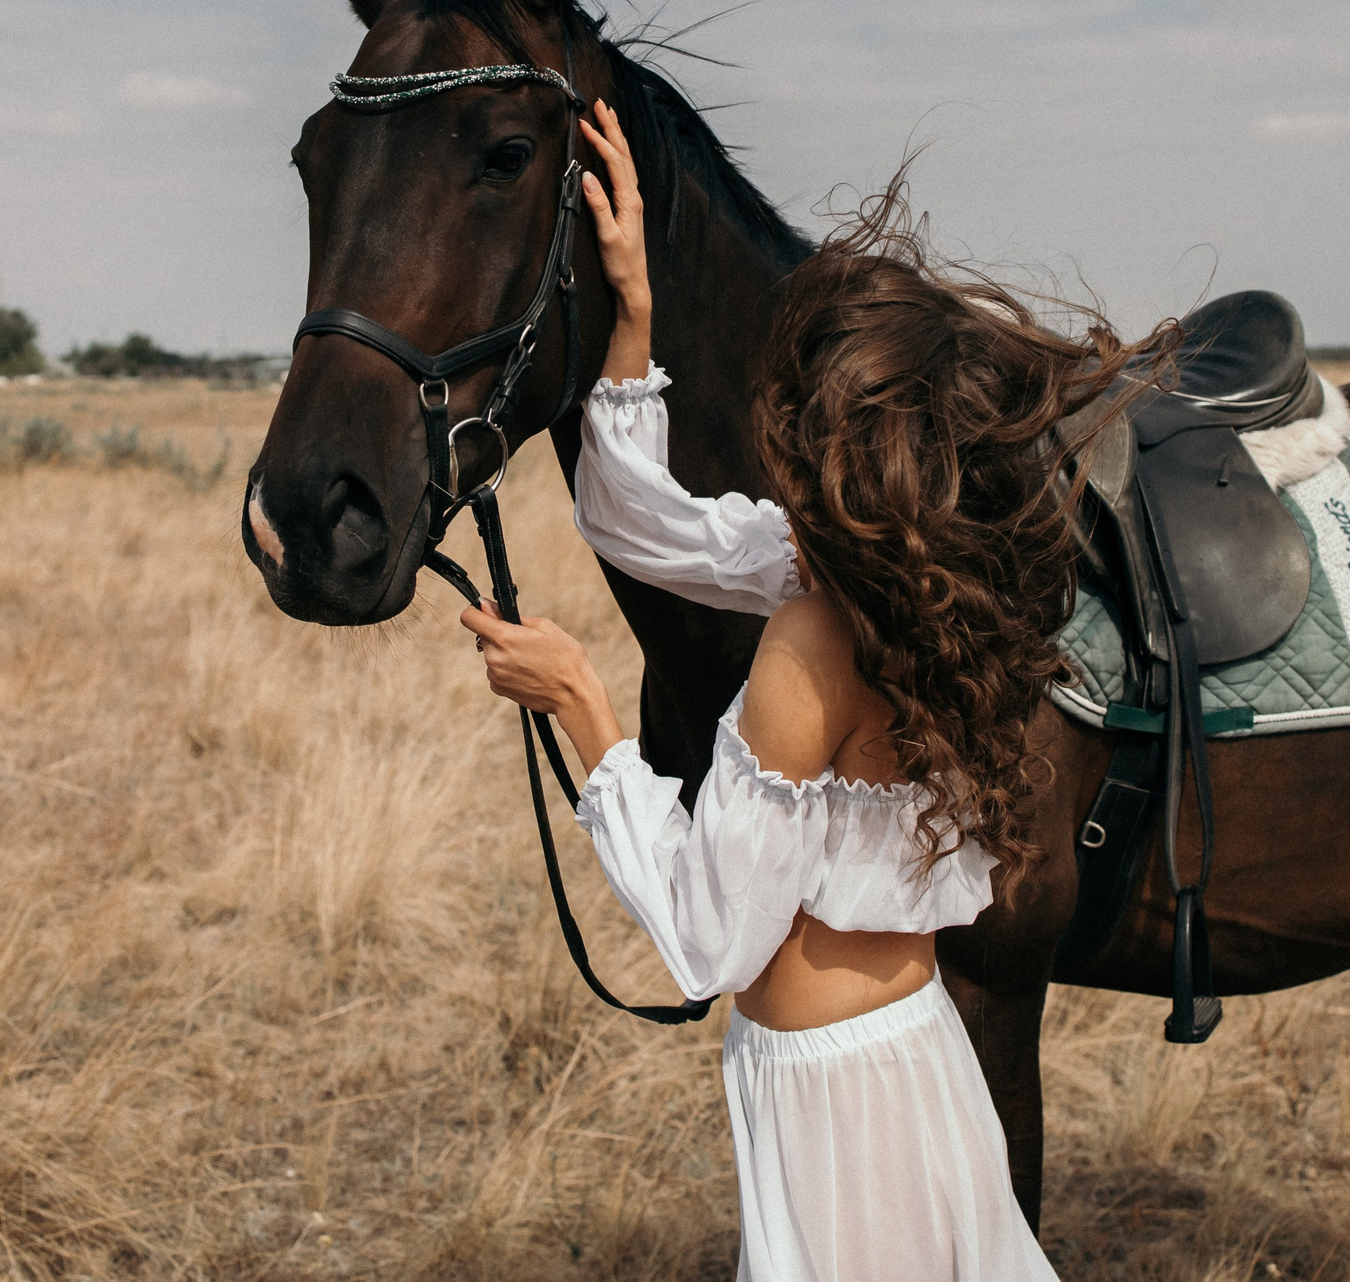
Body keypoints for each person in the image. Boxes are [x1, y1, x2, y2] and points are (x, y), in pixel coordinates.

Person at [461, 103, 1161, 1279]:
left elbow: (704, 938)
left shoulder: (805, 639)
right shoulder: (926, 577)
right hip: (905, 1059)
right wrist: (631, 311)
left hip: (835, 1107)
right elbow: (642, 524)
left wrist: (580, 702)